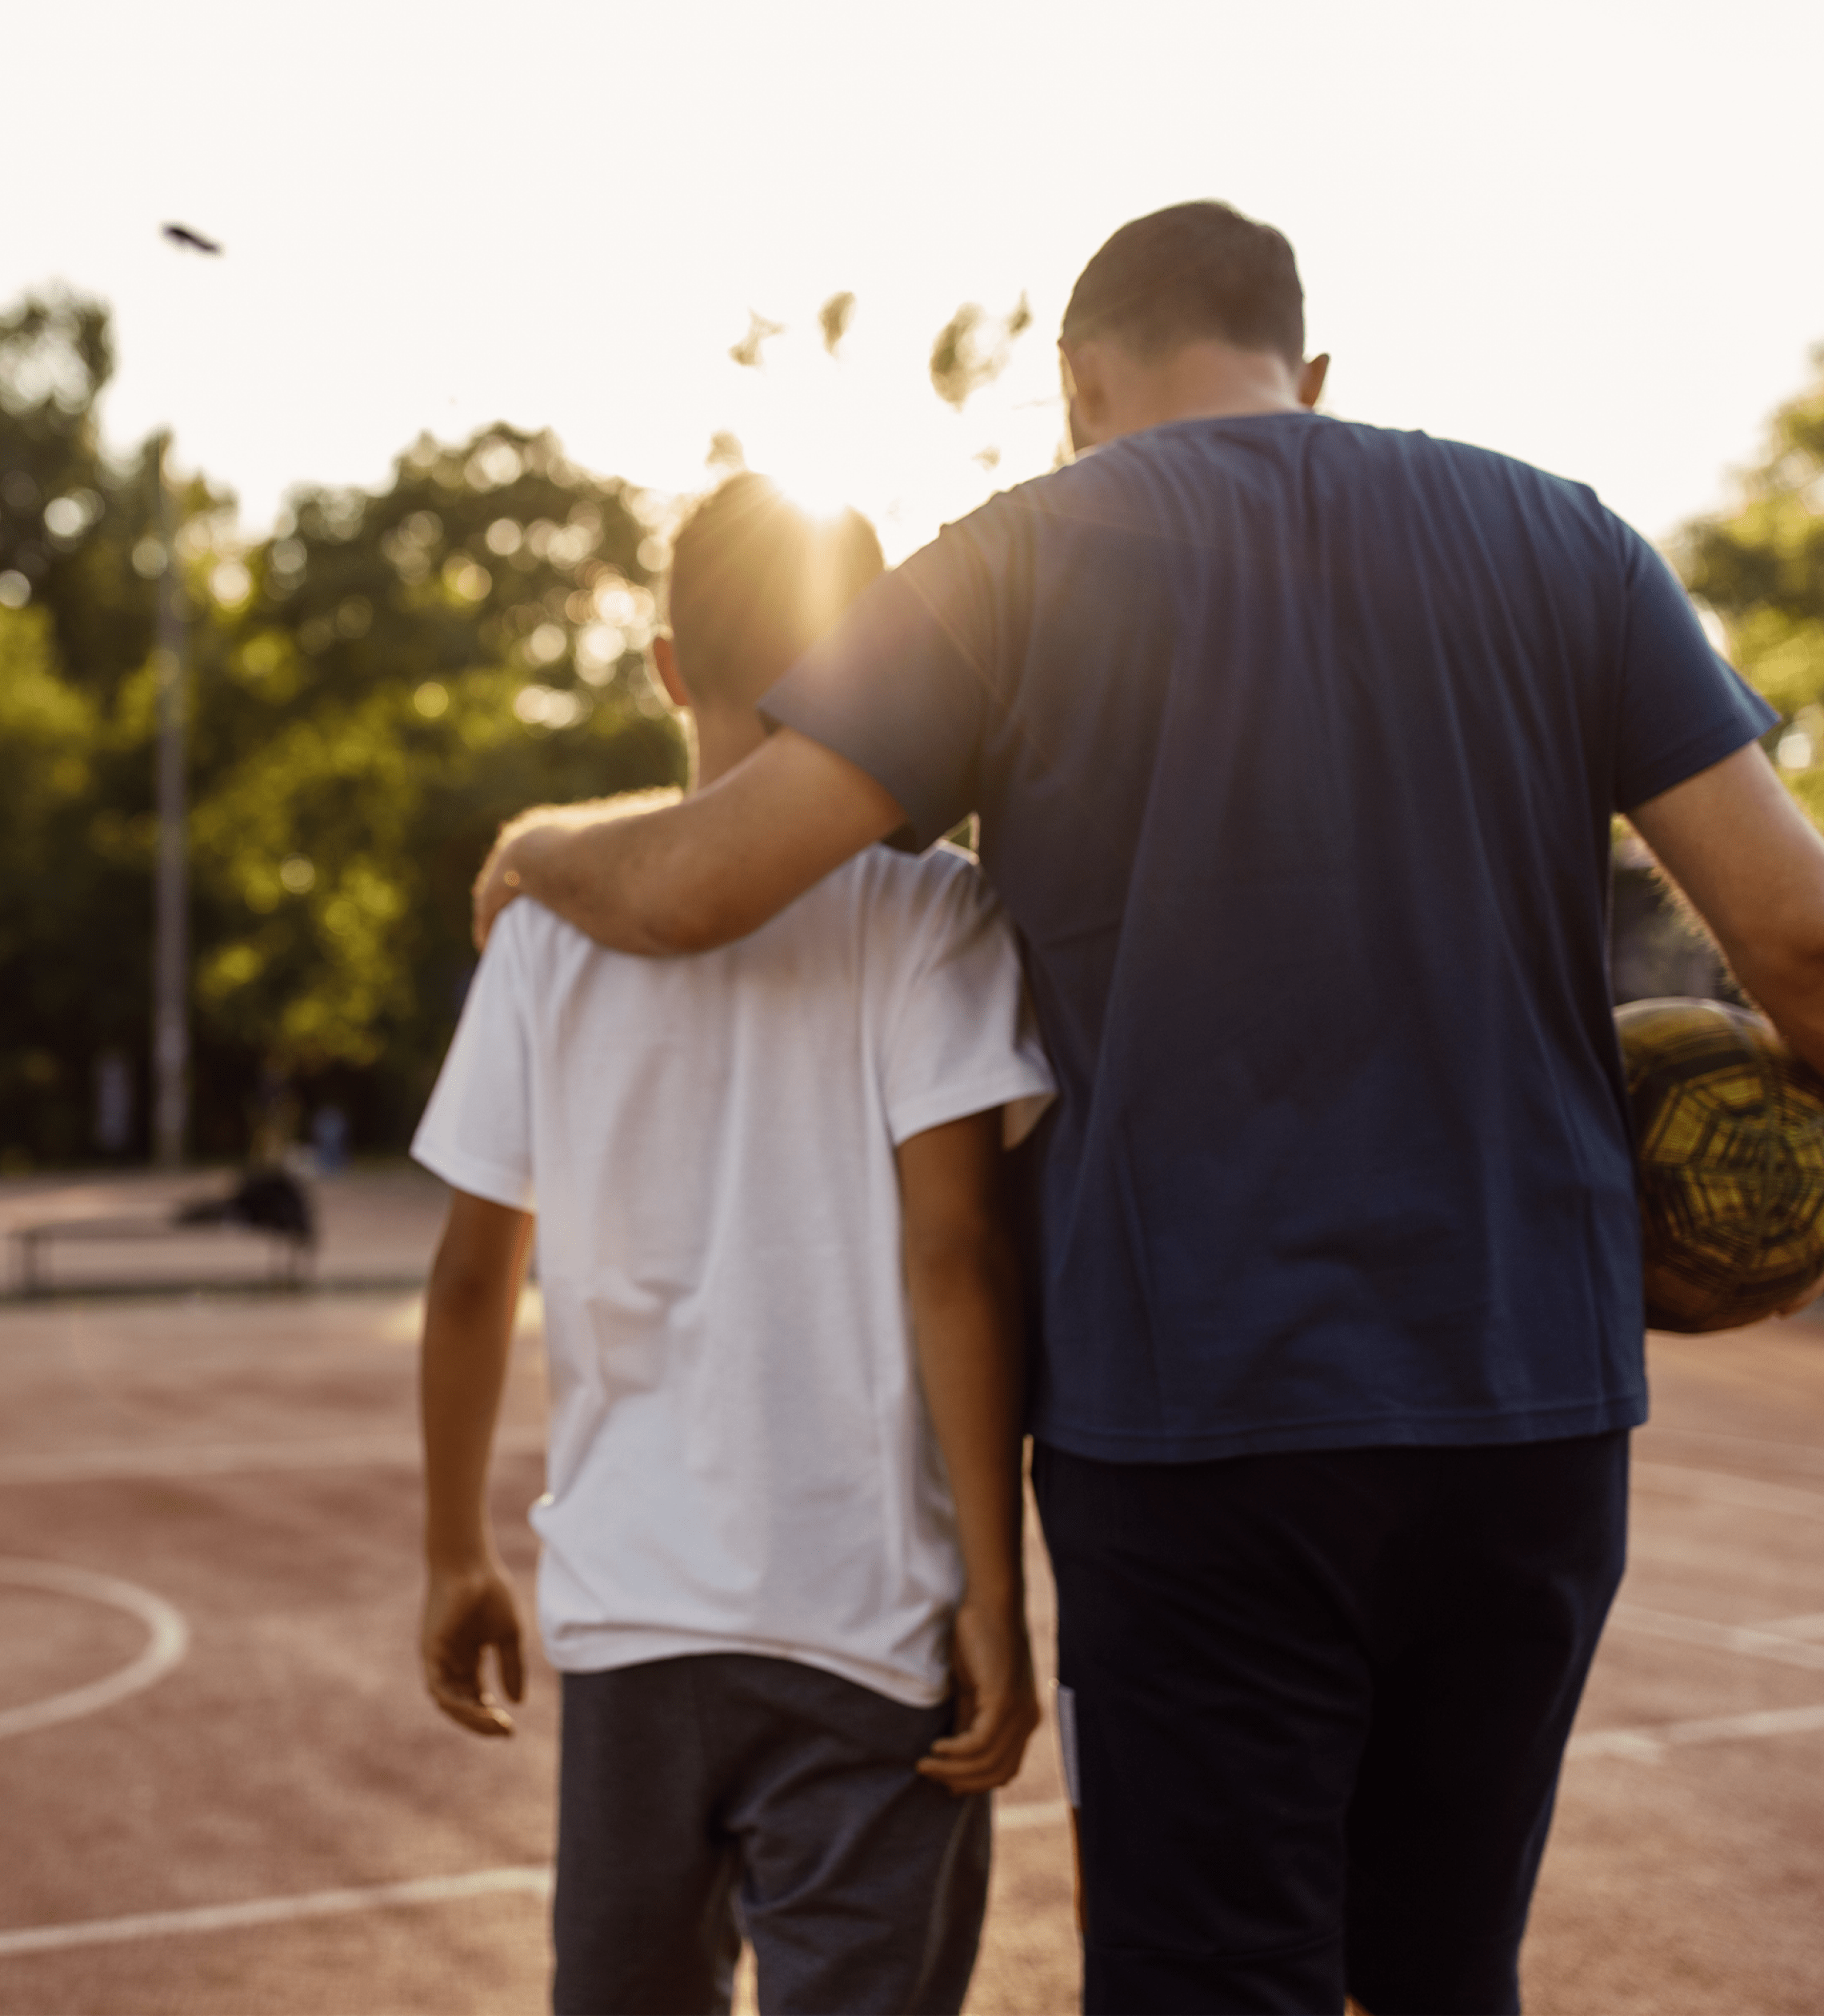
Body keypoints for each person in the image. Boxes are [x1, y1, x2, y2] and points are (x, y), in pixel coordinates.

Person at [470, 203, 1824, 2015]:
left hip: (1201, 1427)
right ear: (1308, 371)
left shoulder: (1022, 557)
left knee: (1211, 1979)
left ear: (1079, 389)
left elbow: (709, 880)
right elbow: (1801, 939)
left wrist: (534, 844)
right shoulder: (1568, 539)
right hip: (1531, 1399)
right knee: (1442, 1970)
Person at [414, 474, 1054, 2015]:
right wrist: (996, 1590)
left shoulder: (544, 931)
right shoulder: (932, 916)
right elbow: (958, 1255)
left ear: (668, 669)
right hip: (869, 1627)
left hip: (635, 1620)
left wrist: (452, 1551)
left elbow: (468, 1278)